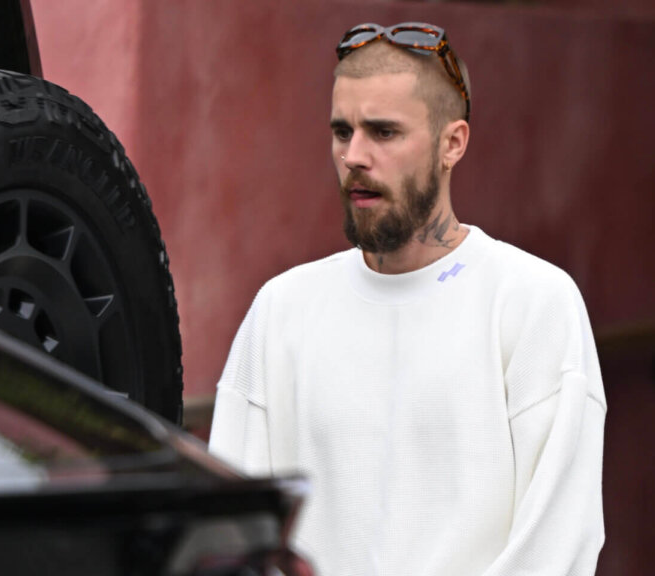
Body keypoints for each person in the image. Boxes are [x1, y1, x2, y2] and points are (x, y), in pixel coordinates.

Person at [208, 21, 606, 575]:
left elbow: (556, 546)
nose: (354, 155)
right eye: (342, 131)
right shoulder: (282, 309)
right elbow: (233, 532)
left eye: (384, 132)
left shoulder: (532, 302)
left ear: (453, 143)